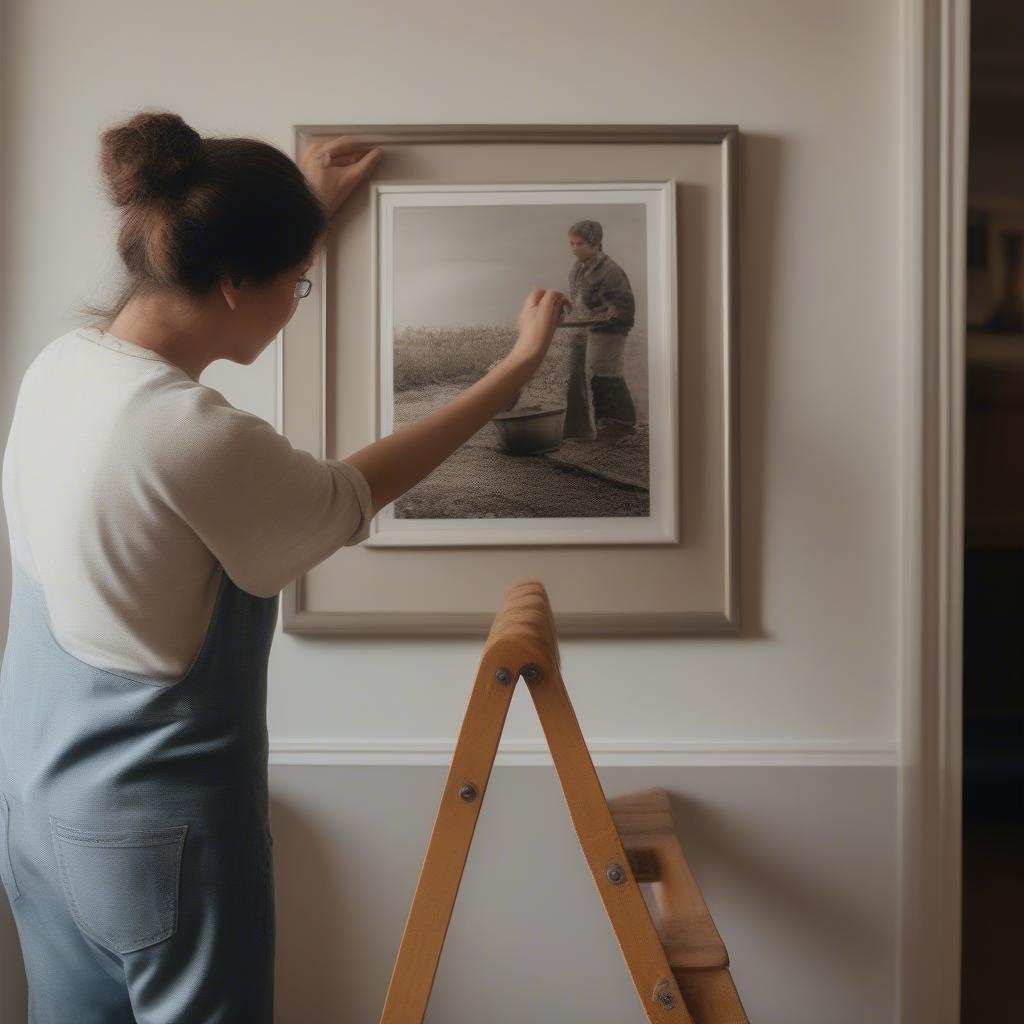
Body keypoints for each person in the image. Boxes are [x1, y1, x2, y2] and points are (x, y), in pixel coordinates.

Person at [0, 110, 569, 1022]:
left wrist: (296, 212)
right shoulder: (186, 432)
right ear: (233, 279)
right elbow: (347, 498)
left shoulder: (58, 372)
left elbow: (227, 271)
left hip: (35, 814)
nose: (297, 298)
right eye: (297, 283)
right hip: (159, 843)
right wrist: (514, 370)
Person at [563, 219, 638, 444]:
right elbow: (578, 302)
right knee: (575, 372)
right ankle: (579, 428)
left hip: (611, 328)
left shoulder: (611, 272)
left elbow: (623, 309)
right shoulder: (577, 268)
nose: (574, 248)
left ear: (597, 244)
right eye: (572, 243)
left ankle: (619, 424)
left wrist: (594, 318)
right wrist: (567, 311)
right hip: (584, 326)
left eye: (580, 244)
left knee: (603, 372)